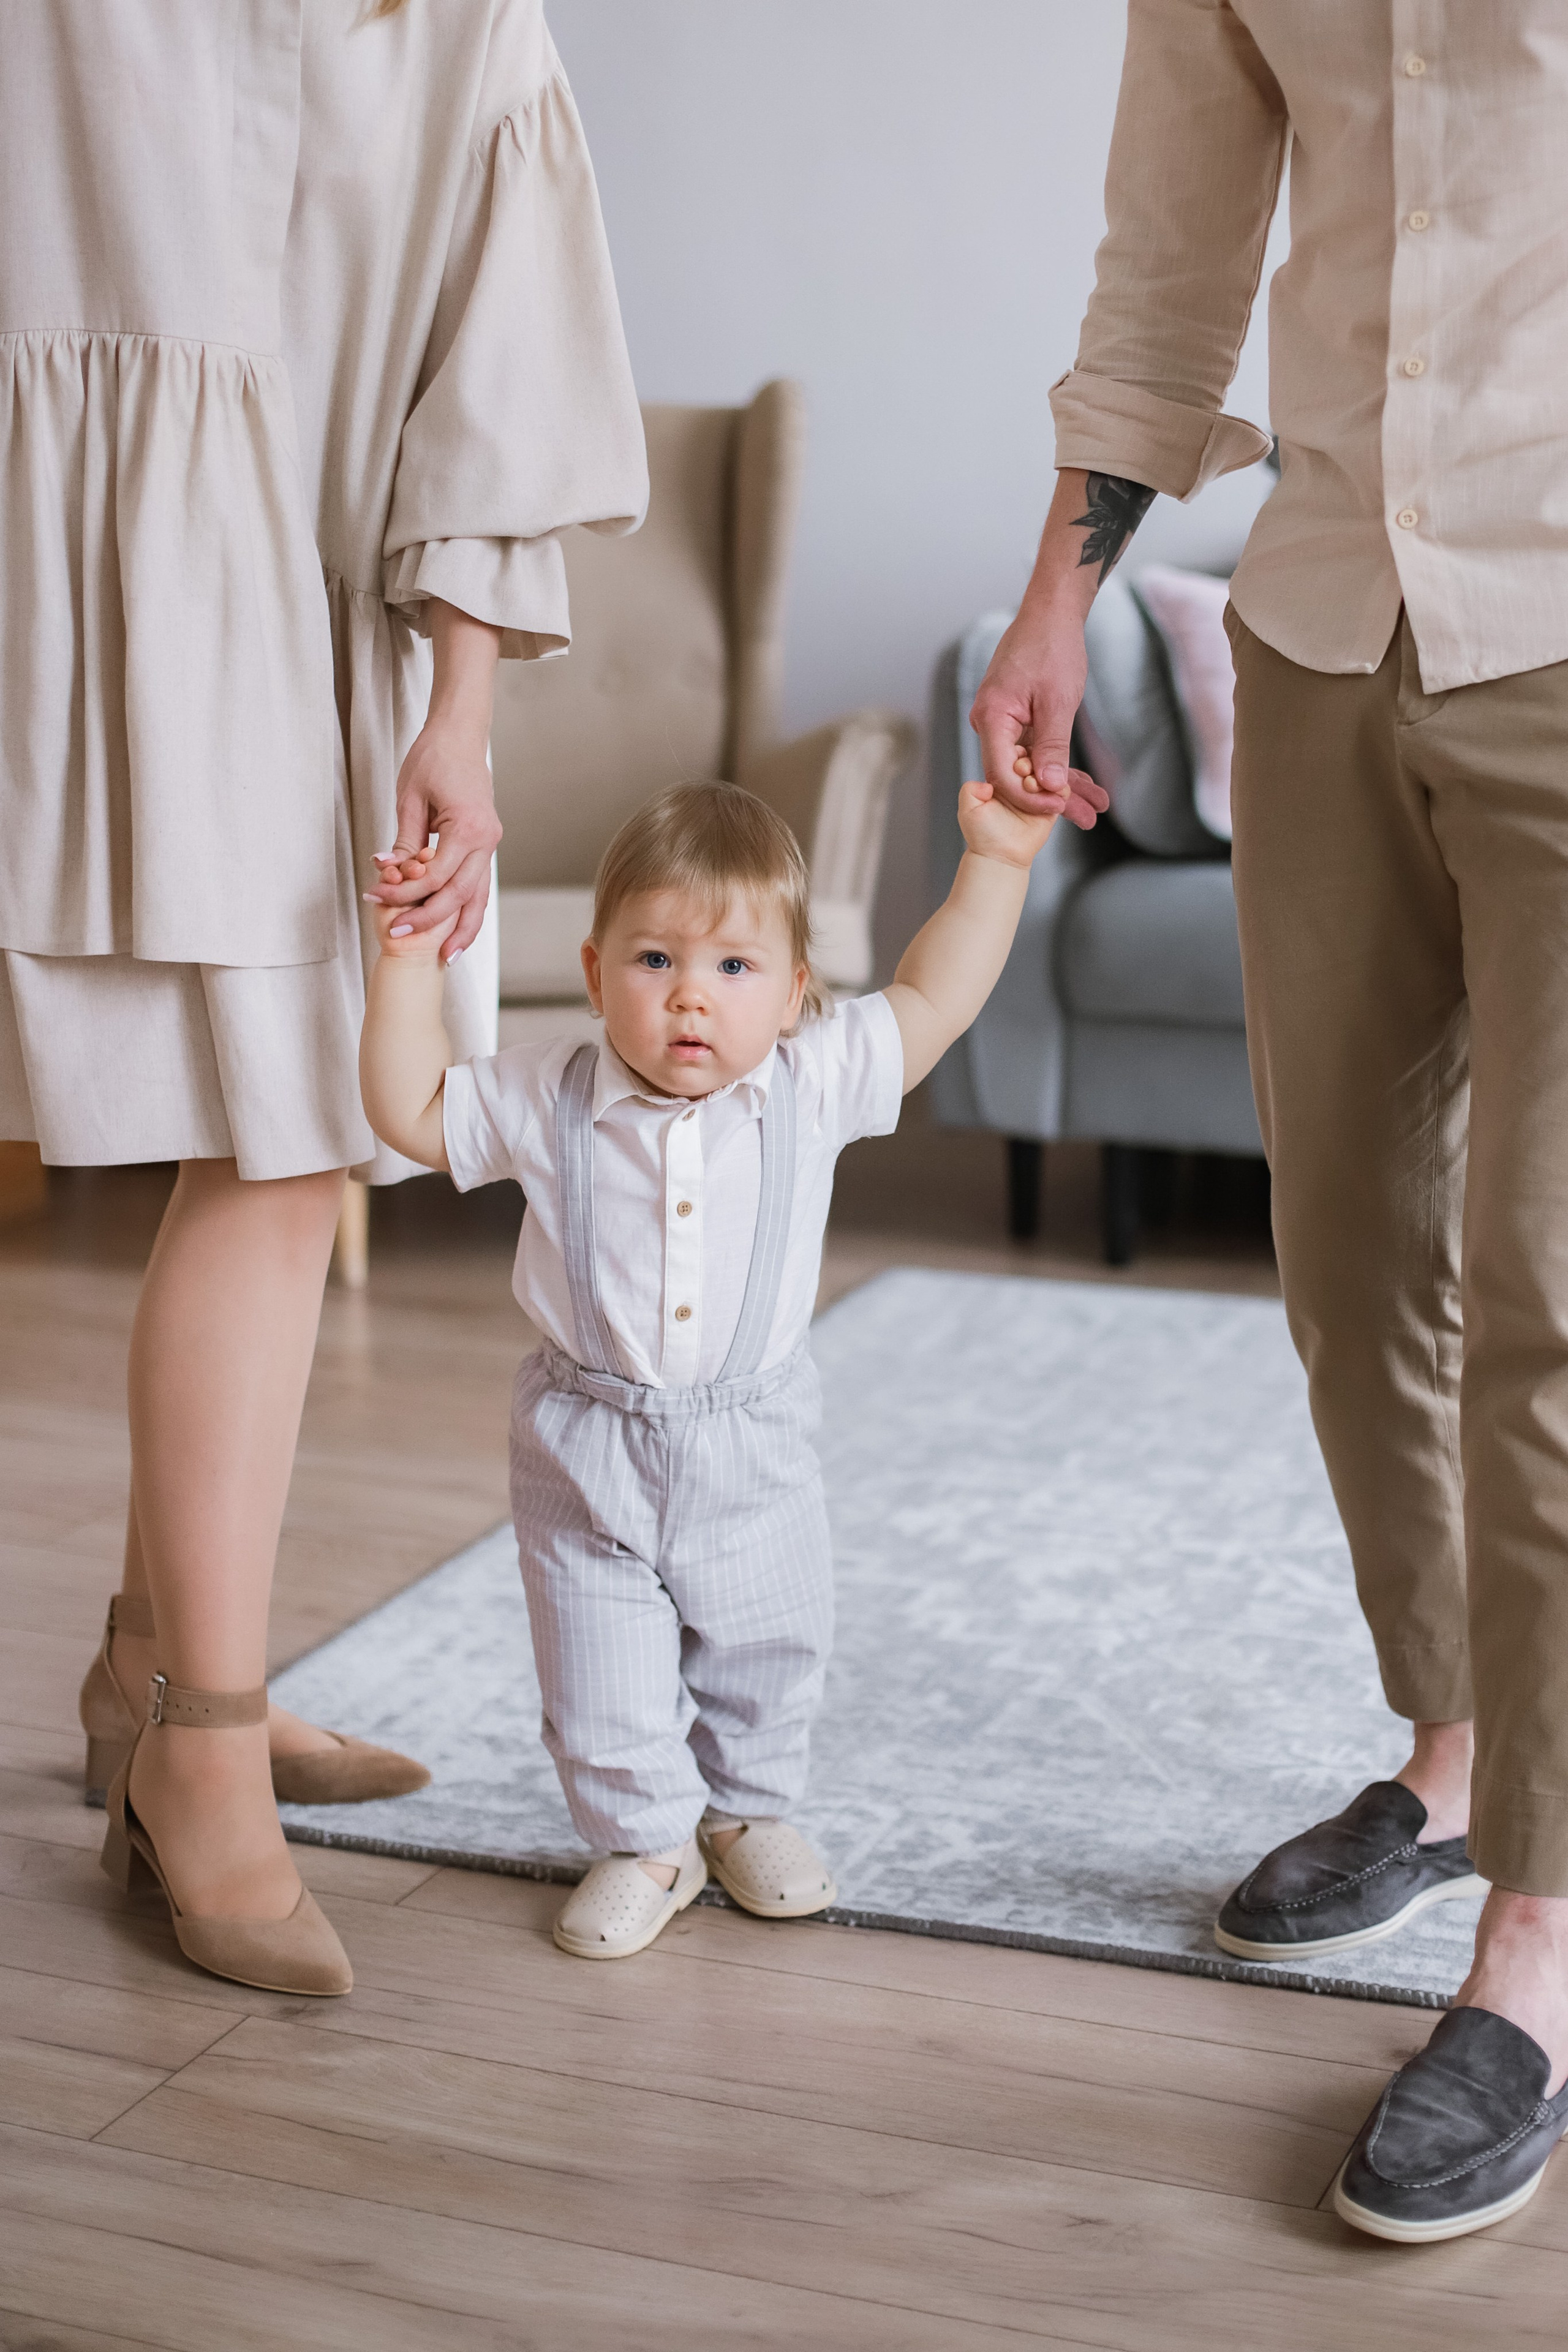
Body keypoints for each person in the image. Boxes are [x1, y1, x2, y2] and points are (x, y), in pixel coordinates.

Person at [968, 2, 1568, 2244]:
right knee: (1345, 1253)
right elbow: (1176, 251)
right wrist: (1062, 590)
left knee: (1551, 1290)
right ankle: (1457, 1740)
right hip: (1327, 627)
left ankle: (1540, 1931)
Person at [2, 0, 646, 1996]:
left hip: (309, 644)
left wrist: (457, 707)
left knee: (305, 1144)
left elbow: (500, 359)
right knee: (281, 1161)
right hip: (72, 612)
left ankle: (171, 1679)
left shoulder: (458, 23)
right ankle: (194, 1735)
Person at [358, 776, 1057, 1959]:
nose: (691, 995)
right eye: (653, 960)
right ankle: (645, 1842)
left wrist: (996, 861)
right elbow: (412, 1108)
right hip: (584, 1441)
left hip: (754, 1439)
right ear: (593, 976)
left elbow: (936, 993)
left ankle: (748, 1811)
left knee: (770, 1642)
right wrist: (409, 960)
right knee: (596, 1661)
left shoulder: (813, 1082)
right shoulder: (549, 1093)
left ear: (794, 996)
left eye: (734, 969)